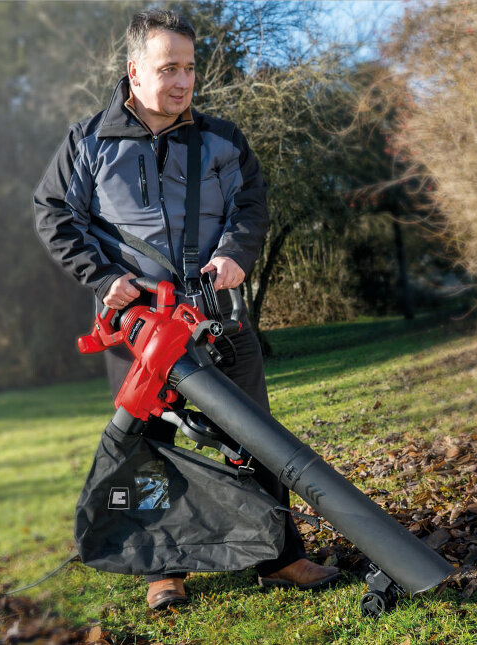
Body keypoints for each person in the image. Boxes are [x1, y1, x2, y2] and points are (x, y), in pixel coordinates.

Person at [32, 9, 339, 610]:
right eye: (167, 67)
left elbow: (250, 204)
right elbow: (54, 216)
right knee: (147, 450)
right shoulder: (88, 141)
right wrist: (104, 278)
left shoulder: (225, 139)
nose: (181, 81)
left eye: (189, 68)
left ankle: (280, 555)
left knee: (255, 437)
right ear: (133, 71)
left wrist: (236, 254)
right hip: (140, 331)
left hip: (218, 318)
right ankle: (162, 569)